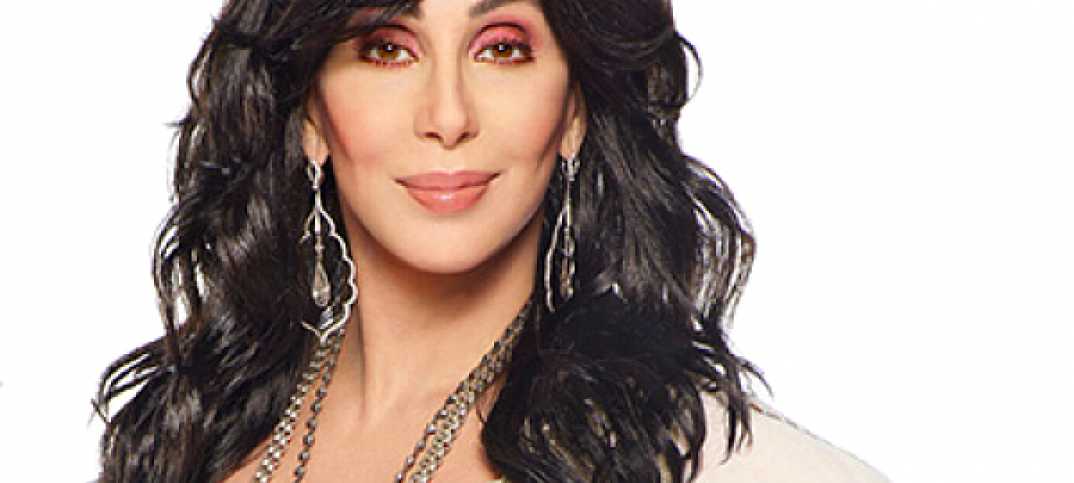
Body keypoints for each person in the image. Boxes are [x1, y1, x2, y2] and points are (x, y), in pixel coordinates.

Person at [93, 0, 890, 481]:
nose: (447, 115)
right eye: (387, 47)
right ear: (309, 113)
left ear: (574, 109)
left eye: (502, 48)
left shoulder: (703, 461)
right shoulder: (189, 434)